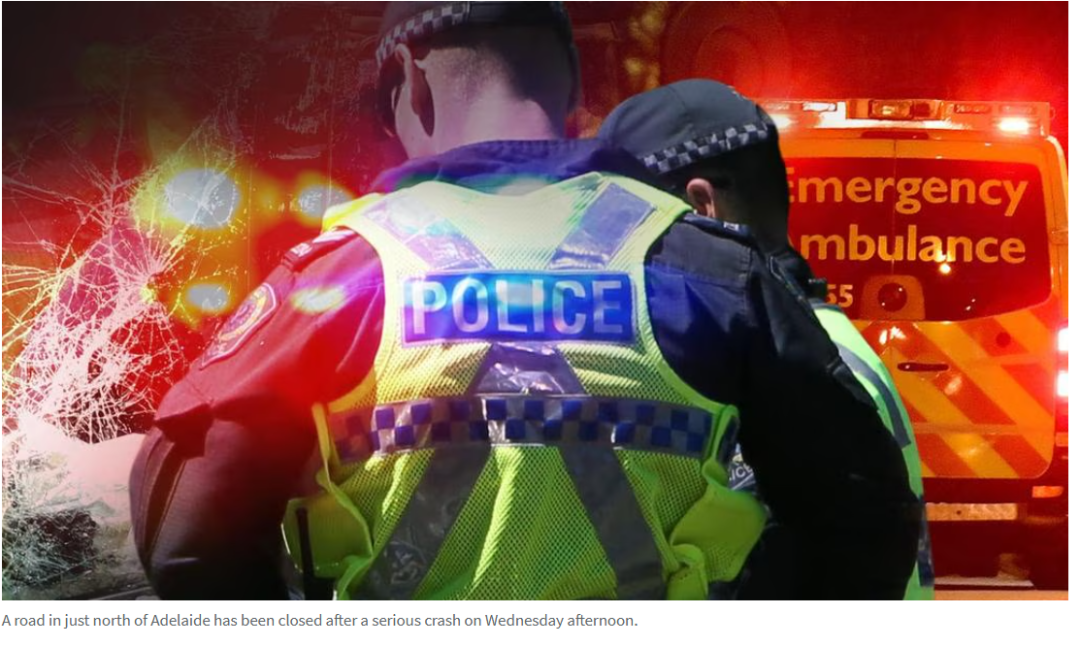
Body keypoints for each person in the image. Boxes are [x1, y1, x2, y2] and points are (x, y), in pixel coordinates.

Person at [130, 2, 918, 600]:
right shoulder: (711, 273)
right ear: (572, 84)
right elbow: (865, 518)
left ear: (409, 78)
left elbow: (186, 538)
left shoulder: (344, 278)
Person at [599, 78, 933, 600]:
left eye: (624, 218)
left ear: (701, 209)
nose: (606, 246)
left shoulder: (768, 371)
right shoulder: (818, 347)